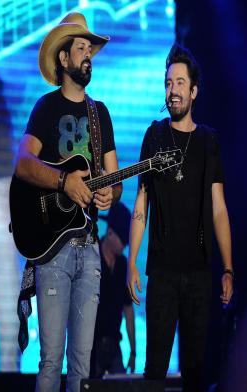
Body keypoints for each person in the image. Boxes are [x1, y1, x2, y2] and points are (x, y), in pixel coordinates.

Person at [14, 12, 122, 392]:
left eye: (91, 48)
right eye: (81, 47)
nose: (88, 54)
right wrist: (63, 181)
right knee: (50, 359)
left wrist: (112, 192)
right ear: (64, 59)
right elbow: (23, 164)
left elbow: (114, 176)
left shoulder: (100, 114)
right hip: (53, 253)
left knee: (82, 365)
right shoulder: (46, 108)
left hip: (90, 249)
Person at [127, 43, 234, 392]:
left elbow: (218, 207)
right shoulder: (154, 134)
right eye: (168, 83)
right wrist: (132, 262)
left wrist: (228, 268)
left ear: (194, 90)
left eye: (179, 83)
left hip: (199, 273)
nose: (172, 90)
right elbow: (141, 202)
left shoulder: (207, 141)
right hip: (162, 271)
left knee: (195, 371)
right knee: (155, 370)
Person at [90, 202, 136, 378]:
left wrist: (133, 351)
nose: (125, 245)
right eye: (122, 239)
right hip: (92, 346)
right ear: (110, 233)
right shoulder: (92, 258)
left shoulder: (123, 264)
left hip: (114, 345)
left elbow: (128, 308)